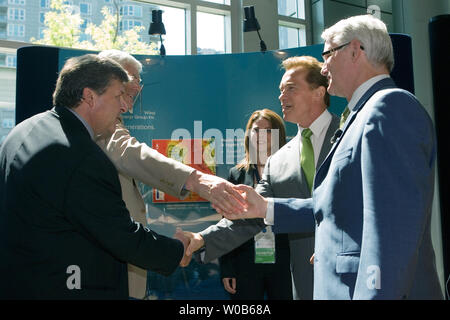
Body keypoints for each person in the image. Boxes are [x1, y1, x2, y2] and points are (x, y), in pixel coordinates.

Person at [219, 15, 444, 299]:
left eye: (328, 54)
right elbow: (333, 206)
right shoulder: (360, 115)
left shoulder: (389, 107)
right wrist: (265, 208)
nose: (324, 68)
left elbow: (391, 232)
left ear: (355, 50)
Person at [0, 54, 189, 299]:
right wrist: (176, 250)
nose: (124, 106)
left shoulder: (24, 130)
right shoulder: (80, 156)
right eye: (118, 96)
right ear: (89, 97)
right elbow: (120, 235)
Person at [182, 56, 340, 300]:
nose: (281, 97)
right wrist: (202, 239)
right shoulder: (278, 160)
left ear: (319, 93)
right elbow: (252, 213)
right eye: (280, 90)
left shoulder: (350, 134)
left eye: (290, 88)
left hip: (352, 277)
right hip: (303, 284)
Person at [96, 50, 246, 299]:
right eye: (125, 94)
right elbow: (130, 153)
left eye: (133, 96)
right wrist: (197, 180)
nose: (128, 106)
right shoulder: (100, 126)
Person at [219, 108, 291, 300]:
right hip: (245, 263)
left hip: (284, 262)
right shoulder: (236, 175)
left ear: (278, 136)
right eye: (256, 129)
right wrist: (227, 268)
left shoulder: (291, 172)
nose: (261, 135)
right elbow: (227, 223)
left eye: (268, 131)